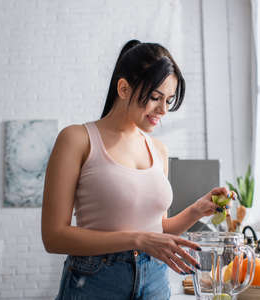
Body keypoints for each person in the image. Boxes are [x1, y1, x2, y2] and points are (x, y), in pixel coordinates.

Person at [41, 39, 231, 300]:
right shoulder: (77, 139)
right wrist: (137, 240)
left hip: (155, 278)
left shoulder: (159, 151)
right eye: (155, 98)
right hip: (96, 280)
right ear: (123, 88)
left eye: (169, 100)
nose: (163, 110)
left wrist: (197, 209)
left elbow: (157, 230)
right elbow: (54, 237)